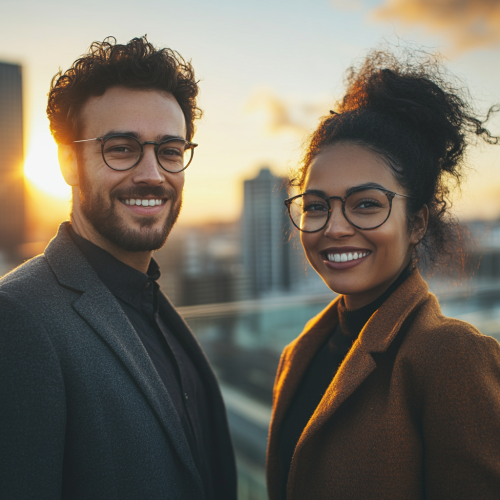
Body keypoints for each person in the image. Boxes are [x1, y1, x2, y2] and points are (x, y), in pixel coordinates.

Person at [0, 36, 236, 500]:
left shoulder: (150, 304)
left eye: (170, 150)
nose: (152, 173)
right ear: (70, 161)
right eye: (122, 148)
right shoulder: (18, 319)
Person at [266, 49, 500, 499]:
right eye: (316, 206)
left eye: (366, 204)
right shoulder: (297, 356)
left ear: (416, 223)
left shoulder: (452, 357)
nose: (334, 227)